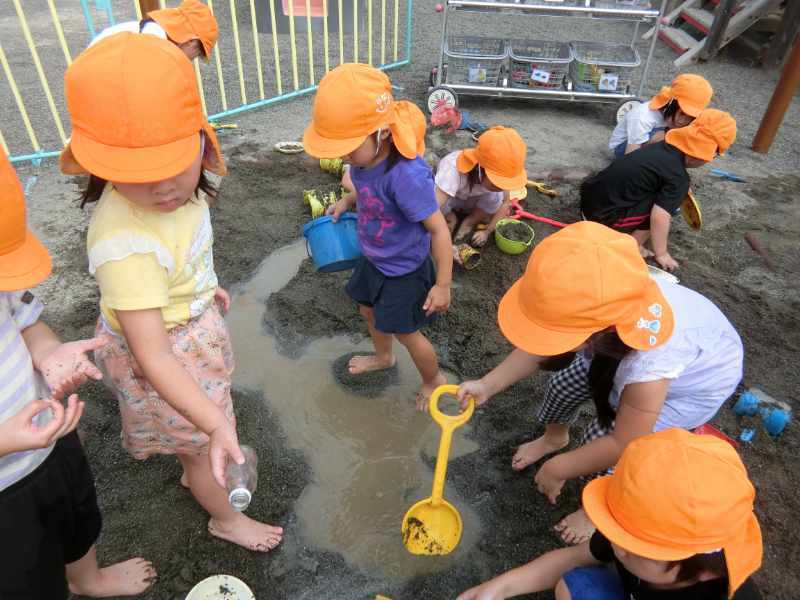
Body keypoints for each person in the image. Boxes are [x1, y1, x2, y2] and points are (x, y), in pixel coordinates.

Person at [60, 34, 283, 552]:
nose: (162, 187)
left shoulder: (181, 197)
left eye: (172, 163)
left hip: (183, 330)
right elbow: (153, 355)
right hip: (163, 353)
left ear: (200, 140)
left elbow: (181, 255)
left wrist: (201, 288)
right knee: (206, 444)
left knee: (197, 437)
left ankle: (194, 459)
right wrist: (214, 425)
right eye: (138, 175)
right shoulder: (125, 244)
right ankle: (226, 518)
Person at [457, 221, 744, 544]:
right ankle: (554, 439)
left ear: (596, 332)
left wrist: (560, 469)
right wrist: (488, 384)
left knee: (610, 445)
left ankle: (601, 507)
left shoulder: (650, 363)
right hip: (621, 351)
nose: (548, 340)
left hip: (684, 390)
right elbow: (542, 346)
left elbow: (626, 442)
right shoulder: (604, 298)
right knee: (562, 386)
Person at [0, 149, 155, 598]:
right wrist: (6, 440)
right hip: (5, 487)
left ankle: (89, 579)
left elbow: (26, 323)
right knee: (25, 574)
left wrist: (49, 352)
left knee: (76, 516)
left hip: (51, 435)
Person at [456, 428, 763, 600]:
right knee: (571, 586)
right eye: (618, 534)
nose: (617, 547)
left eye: (636, 549)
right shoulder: (633, 531)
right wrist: (498, 589)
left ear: (705, 571)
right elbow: (575, 557)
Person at [303, 63, 453, 411]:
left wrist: (443, 284)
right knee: (367, 309)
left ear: (382, 132)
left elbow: (438, 229)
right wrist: (348, 200)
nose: (343, 155)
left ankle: (434, 379)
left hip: (404, 269)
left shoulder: (406, 177)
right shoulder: (362, 162)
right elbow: (367, 189)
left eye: (348, 146)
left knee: (407, 332)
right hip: (375, 257)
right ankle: (384, 357)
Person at [582, 108, 736, 271]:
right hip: (602, 220)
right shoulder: (678, 178)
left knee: (663, 197)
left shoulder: (661, 147)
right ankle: (631, 246)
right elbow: (659, 217)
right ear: (702, 154)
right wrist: (661, 253)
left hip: (588, 203)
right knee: (667, 207)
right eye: (714, 156)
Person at [434, 126, 527, 246]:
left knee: (496, 197)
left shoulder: (502, 172)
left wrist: (487, 232)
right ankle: (450, 216)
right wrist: (443, 237)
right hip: (449, 197)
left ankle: (469, 222)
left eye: (505, 181)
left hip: (472, 198)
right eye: (497, 181)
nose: (502, 187)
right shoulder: (452, 169)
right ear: (480, 168)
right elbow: (431, 208)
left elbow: (505, 203)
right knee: (444, 223)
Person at [608, 74, 712, 157]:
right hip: (624, 147)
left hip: (647, 141)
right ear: (671, 103)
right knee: (667, 135)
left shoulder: (669, 115)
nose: (683, 121)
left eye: (691, 117)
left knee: (679, 135)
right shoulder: (643, 117)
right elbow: (630, 153)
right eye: (682, 113)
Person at [90, 0, 218, 61]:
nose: (191, 61)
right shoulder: (154, 42)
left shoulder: (155, 32)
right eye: (197, 55)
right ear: (191, 42)